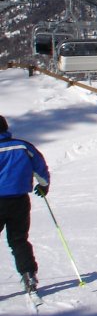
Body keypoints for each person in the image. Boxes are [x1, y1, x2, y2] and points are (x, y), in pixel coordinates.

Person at [0, 115, 50, 294]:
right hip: (19, 200)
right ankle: (28, 274)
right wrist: (44, 185)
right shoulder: (23, 146)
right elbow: (40, 166)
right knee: (18, 239)